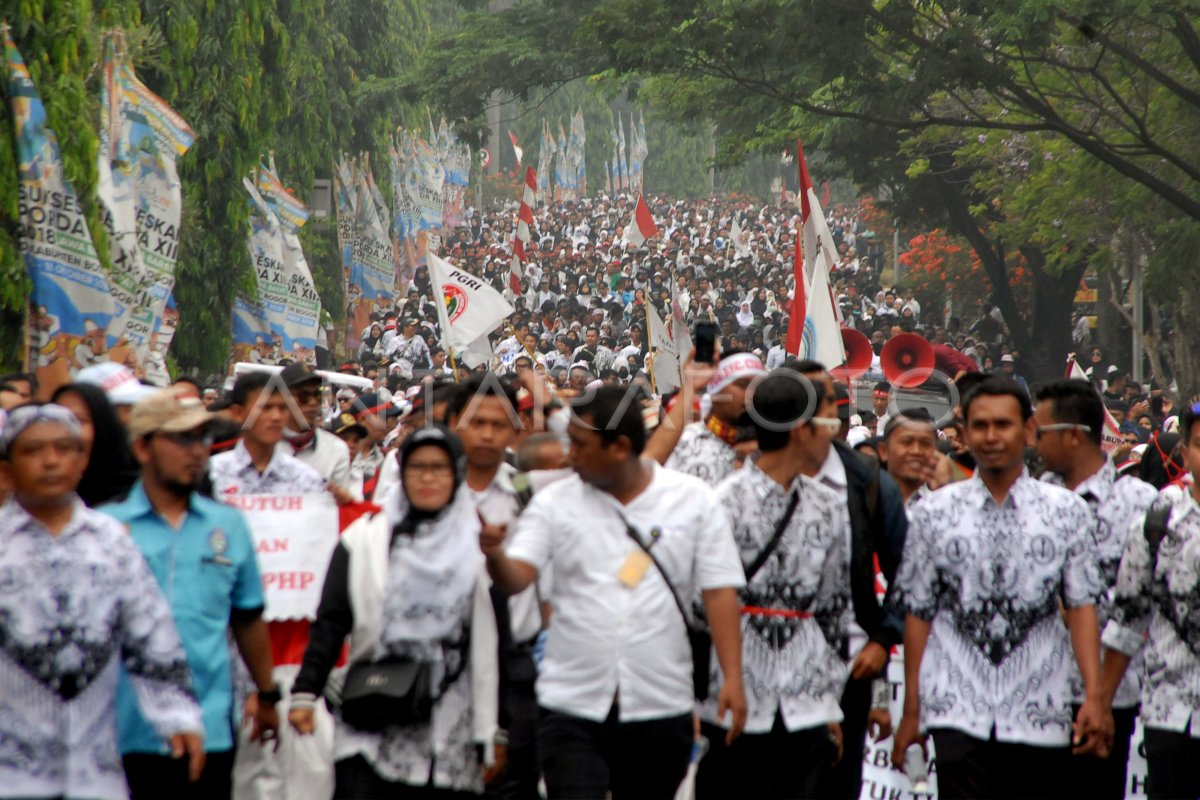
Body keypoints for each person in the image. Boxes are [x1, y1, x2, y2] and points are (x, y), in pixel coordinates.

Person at [480, 386, 748, 799]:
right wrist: (496, 555)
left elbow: (719, 590)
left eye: (580, 445)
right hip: (571, 703)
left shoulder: (692, 500)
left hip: (661, 701)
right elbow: (518, 576)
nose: (570, 455)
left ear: (620, 447)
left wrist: (732, 676)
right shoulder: (554, 502)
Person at [890, 377, 1109, 800]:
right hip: (956, 707)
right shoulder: (935, 513)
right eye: (981, 425)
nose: (991, 436)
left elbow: (1082, 605)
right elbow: (918, 612)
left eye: (1003, 425)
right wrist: (912, 710)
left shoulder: (1066, 512)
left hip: (1041, 706)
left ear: (1028, 430)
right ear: (965, 432)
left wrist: (1094, 697)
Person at [0, 403, 204, 799]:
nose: (51, 460)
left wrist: (178, 715)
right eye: (34, 450)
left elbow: (152, 638)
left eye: (64, 448)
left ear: (83, 460)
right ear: (7, 468)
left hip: (96, 777)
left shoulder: (111, 542)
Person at [289, 426, 501, 797]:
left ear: (457, 474)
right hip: (373, 716)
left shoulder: (478, 546)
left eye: (440, 467)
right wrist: (306, 691)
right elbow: (332, 620)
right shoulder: (365, 541)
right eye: (418, 467)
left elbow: (499, 637)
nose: (428, 477)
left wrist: (499, 728)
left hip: (451, 727)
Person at [106, 387, 280, 799]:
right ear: (143, 448)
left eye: (202, 438)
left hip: (211, 725)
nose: (198, 451)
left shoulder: (229, 527)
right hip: (119, 729)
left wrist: (268, 693)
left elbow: (248, 617)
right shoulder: (105, 528)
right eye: (182, 439)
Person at [696, 371, 852, 798]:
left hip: (806, 706)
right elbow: (699, 604)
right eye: (828, 419)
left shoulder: (829, 506)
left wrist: (829, 697)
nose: (834, 430)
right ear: (801, 430)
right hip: (733, 700)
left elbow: (836, 608)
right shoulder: (722, 503)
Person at [1033, 379, 1158, 799]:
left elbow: (1144, 603)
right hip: (1033, 695)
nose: (1032, 440)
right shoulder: (1032, 498)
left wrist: (1099, 695)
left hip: (1110, 693)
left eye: (1040, 430)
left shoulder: (1139, 503)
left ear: (1072, 435)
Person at [1101, 402, 1200, 800]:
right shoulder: (1158, 519)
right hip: (1168, 712)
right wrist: (1100, 703)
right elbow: (1127, 617)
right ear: (1186, 452)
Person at [662, 351, 765, 484]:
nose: (752, 393)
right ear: (715, 390)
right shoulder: (683, 445)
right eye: (743, 384)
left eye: (759, 385)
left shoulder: (780, 444)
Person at [277, 363, 359, 501]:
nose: (313, 402)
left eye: (317, 395)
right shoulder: (262, 446)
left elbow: (339, 510)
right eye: (304, 396)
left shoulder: (336, 450)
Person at [51, 381, 141, 506]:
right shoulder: (37, 496)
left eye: (79, 420)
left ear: (103, 426)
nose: (66, 431)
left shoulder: (138, 497)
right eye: (57, 420)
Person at [879, 409, 940, 507]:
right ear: (884, 451)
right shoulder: (865, 503)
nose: (916, 451)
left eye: (925, 443)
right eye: (907, 442)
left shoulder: (946, 505)